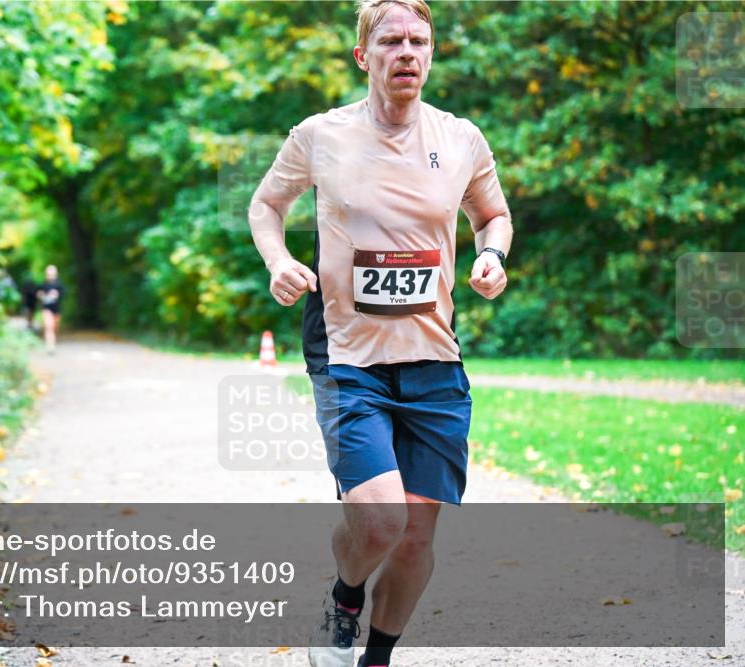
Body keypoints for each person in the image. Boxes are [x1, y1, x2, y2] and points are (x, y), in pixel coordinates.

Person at [247, 2, 513, 666]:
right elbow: (266, 205)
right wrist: (279, 262)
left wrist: (491, 254)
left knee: (416, 535)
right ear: (363, 56)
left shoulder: (461, 139)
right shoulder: (320, 135)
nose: (407, 52)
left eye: (419, 41)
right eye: (391, 40)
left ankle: (377, 657)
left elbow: (493, 215)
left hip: (433, 356)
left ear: (432, 53)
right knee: (380, 522)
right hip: (347, 354)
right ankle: (343, 600)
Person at [37, 265, 63, 352]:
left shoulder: (59, 284)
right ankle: (50, 346)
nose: (50, 275)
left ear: (56, 274)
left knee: (54, 328)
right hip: (46, 308)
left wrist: (57, 294)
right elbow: (38, 293)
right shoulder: (43, 284)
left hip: (57, 309)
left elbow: (64, 294)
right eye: (49, 273)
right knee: (49, 326)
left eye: (52, 273)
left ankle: (52, 342)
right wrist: (41, 295)